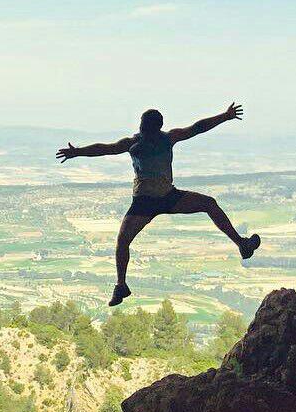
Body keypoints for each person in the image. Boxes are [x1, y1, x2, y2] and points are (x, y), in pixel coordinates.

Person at [56, 104, 260, 307]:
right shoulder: (159, 140)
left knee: (124, 241)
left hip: (153, 199)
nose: (141, 130)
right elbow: (197, 128)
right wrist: (225, 116)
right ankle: (121, 285)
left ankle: (242, 245)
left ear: (146, 127)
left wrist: (225, 116)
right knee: (207, 205)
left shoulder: (139, 143)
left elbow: (106, 149)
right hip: (158, 198)